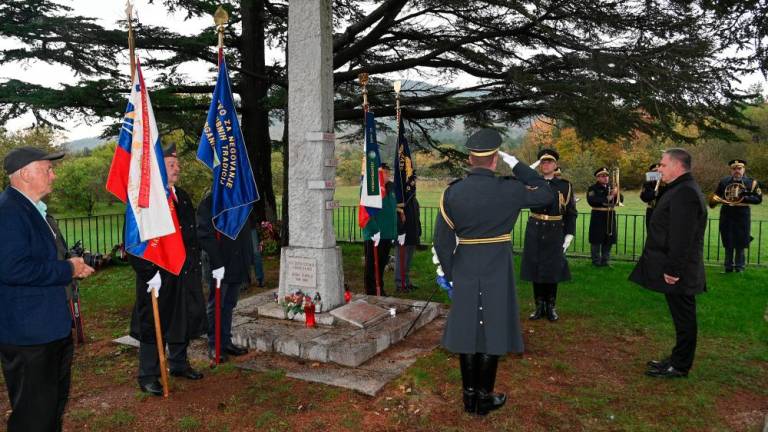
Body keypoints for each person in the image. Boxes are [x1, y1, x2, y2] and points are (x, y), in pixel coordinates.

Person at [433, 129, 552, 416]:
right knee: (492, 329)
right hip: (497, 266)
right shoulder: (510, 189)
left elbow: (442, 240)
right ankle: (482, 398)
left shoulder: (452, 192)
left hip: (465, 266)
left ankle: (469, 398)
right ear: (495, 159)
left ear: (470, 158)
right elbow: (547, 193)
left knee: (467, 331)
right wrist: (519, 166)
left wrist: (449, 274)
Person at [0, 147, 95, 432]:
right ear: (26, 174)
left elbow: (41, 260)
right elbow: (13, 269)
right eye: (47, 169)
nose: (54, 174)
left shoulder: (34, 210)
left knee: (51, 409)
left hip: (49, 329)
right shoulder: (9, 212)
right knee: (34, 416)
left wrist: (72, 265)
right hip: (30, 337)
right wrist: (68, 269)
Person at [128, 144, 207, 396]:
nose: (177, 168)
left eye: (177, 164)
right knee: (155, 323)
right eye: (172, 165)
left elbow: (190, 236)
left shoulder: (181, 196)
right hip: (157, 275)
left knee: (181, 319)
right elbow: (135, 242)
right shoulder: (148, 199)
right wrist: (148, 273)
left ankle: (179, 364)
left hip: (183, 272)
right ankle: (148, 374)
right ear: (159, 167)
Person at [630, 148, 707, 378]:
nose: (659, 169)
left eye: (663, 165)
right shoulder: (679, 188)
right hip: (674, 266)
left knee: (684, 317)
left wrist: (673, 270)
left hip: (679, 269)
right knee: (680, 315)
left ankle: (681, 365)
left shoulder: (686, 192)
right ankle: (677, 359)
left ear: (677, 166)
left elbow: (682, 237)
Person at [520, 148, 577, 322]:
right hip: (535, 228)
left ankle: (551, 306)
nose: (546, 164)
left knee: (552, 269)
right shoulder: (532, 182)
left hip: (555, 229)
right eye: (543, 162)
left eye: (550, 162)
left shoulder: (565, 186)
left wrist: (569, 234)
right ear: (540, 165)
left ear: (556, 165)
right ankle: (538, 306)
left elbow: (571, 212)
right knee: (536, 268)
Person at [197, 191, 253, 362]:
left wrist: (247, 258)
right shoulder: (210, 200)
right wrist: (217, 260)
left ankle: (226, 341)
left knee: (229, 303)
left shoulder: (240, 196)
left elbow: (245, 230)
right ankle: (214, 344)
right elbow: (204, 233)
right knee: (217, 304)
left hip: (236, 260)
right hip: (219, 262)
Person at [709, 159, 762, 272]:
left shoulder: (751, 183)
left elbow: (758, 199)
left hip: (742, 215)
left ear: (744, 169)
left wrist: (744, 197)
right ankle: (728, 267)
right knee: (727, 240)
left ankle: (739, 267)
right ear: (731, 170)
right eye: (734, 169)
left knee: (741, 241)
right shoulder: (724, 181)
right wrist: (718, 200)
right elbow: (716, 196)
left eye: (739, 168)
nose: (737, 171)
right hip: (727, 214)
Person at [362, 163, 397, 296]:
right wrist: (372, 230)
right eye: (384, 173)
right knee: (372, 264)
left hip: (387, 233)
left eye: (388, 172)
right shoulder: (372, 189)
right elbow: (366, 211)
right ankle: (371, 291)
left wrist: (396, 231)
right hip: (374, 234)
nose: (387, 175)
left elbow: (392, 211)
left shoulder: (391, 188)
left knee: (381, 264)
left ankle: (379, 289)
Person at [587, 167, 623, 266]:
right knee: (596, 239)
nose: (605, 178)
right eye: (602, 176)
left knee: (608, 239)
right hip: (598, 216)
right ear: (597, 178)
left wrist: (617, 193)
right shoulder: (593, 188)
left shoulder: (611, 187)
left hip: (610, 214)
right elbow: (593, 201)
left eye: (606, 175)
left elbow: (621, 199)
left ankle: (605, 260)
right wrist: (610, 196)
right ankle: (596, 261)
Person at [394, 196, 421, 292]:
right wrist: (400, 231)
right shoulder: (401, 197)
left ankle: (406, 281)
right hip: (403, 233)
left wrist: (418, 230)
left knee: (408, 260)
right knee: (401, 259)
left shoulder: (413, 198)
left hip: (412, 233)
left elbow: (416, 216)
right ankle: (399, 283)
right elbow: (396, 215)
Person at [640, 163, 665, 229]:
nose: (656, 173)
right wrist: (654, 194)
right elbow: (644, 197)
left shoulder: (665, 183)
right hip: (651, 210)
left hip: (663, 211)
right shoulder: (647, 183)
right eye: (654, 171)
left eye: (658, 171)